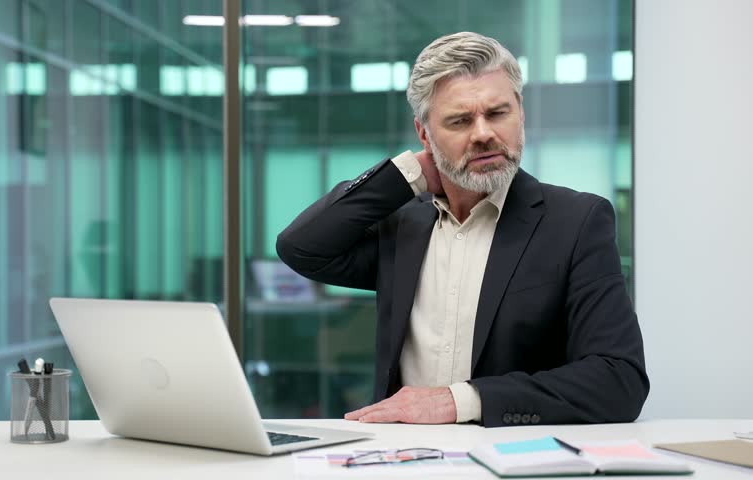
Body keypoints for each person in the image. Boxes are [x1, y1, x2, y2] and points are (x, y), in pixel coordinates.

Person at [276, 32, 648, 427]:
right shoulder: (403, 225)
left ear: (520, 112)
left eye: (498, 113)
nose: (483, 133)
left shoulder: (577, 221)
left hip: (512, 458)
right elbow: (302, 247)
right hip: (399, 456)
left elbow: (619, 380)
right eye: (460, 120)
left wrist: (461, 401)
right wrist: (407, 176)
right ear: (424, 134)